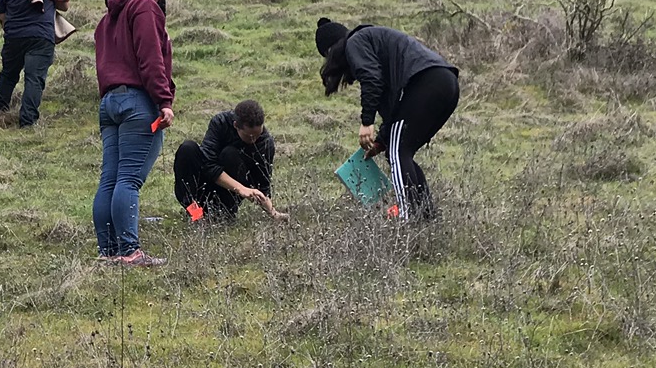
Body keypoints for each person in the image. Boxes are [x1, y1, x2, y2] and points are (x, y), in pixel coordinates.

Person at [316, 17, 459, 220]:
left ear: (332, 51)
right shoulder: (372, 43)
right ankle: (425, 218)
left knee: (398, 153)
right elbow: (393, 107)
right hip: (447, 84)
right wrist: (382, 140)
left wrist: (367, 122)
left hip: (427, 83)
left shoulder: (355, 42)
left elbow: (371, 79)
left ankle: (408, 217)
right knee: (401, 149)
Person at [92, 0, 173, 267]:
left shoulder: (108, 16)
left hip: (109, 102)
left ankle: (108, 251)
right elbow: (150, 58)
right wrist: (164, 100)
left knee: (110, 179)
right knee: (129, 180)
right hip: (138, 103)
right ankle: (129, 251)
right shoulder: (144, 8)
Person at [0, 0, 66, 127]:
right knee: (34, 78)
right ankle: (28, 120)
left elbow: (1, 15)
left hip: (14, 37)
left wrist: (10, 30)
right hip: (41, 37)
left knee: (8, 74)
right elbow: (64, 6)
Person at [174, 99, 285, 223]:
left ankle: (223, 215)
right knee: (187, 148)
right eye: (249, 136)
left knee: (230, 154)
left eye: (257, 135)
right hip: (203, 186)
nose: (254, 140)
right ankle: (195, 214)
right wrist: (241, 188)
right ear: (236, 125)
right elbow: (208, 164)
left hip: (227, 197)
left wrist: (274, 213)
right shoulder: (220, 123)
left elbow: (263, 186)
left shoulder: (265, 142)